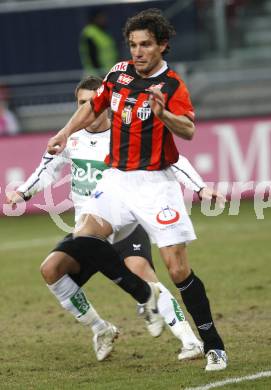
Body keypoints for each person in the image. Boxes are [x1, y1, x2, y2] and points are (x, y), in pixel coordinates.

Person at [47, 9, 227, 371]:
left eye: (145, 44)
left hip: (156, 185)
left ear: (162, 45)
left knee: (177, 270)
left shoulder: (173, 85)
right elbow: (93, 107)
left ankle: (213, 345)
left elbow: (188, 131)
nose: (138, 51)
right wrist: (66, 132)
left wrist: (164, 115)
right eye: (133, 44)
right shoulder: (118, 73)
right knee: (83, 237)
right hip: (117, 178)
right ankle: (145, 294)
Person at [7, 76, 220, 362]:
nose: (87, 108)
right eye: (81, 103)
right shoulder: (73, 139)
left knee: (144, 274)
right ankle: (101, 328)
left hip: (124, 224)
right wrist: (23, 192)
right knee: (51, 270)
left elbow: (172, 159)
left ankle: (189, 340)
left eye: (91, 102)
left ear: (105, 104)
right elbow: (46, 168)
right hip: (90, 230)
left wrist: (200, 186)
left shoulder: (125, 136)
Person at [79, 8, 118, 77]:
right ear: (95, 18)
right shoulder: (90, 33)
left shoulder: (103, 32)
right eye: (101, 17)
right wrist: (100, 72)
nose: (104, 19)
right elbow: (92, 55)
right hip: (96, 75)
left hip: (108, 72)